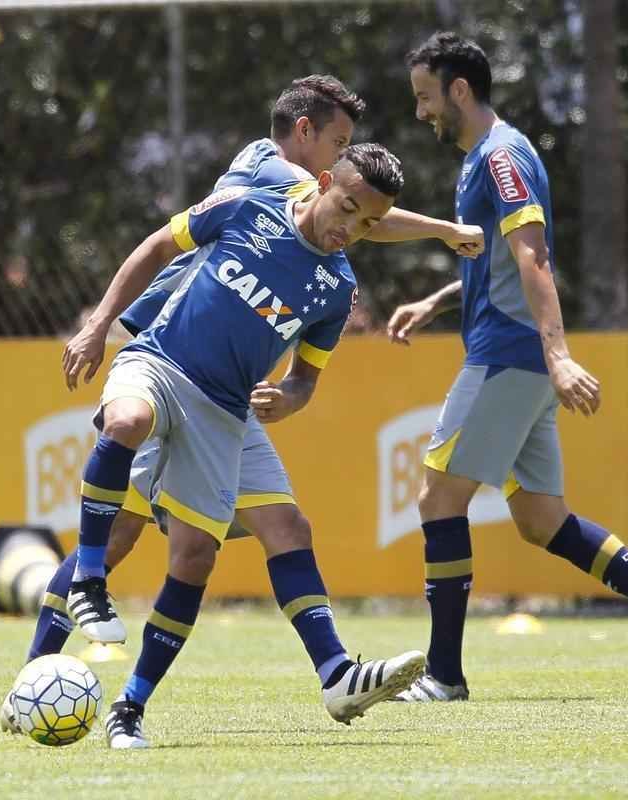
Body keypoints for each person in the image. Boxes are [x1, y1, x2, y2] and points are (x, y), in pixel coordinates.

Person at [1, 75, 484, 687]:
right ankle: (41, 664)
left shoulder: (298, 205)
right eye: (338, 142)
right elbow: (365, 214)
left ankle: (335, 674)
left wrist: (294, 392)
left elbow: (359, 216)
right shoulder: (275, 173)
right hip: (176, 355)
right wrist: (444, 230)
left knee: (279, 526)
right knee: (123, 524)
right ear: (305, 135)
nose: (339, 156)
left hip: (225, 396)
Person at [385, 32, 628, 702]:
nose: (422, 110)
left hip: (509, 356)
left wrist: (559, 354)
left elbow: (533, 257)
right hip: (520, 357)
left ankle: (444, 675)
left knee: (437, 496)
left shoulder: (501, 155)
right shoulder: (483, 155)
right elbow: (498, 258)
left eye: (427, 96)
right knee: (541, 521)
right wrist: (440, 297)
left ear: (459, 90)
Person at [63, 143, 425, 749]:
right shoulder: (247, 207)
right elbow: (158, 246)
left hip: (223, 413)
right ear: (323, 180)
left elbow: (305, 380)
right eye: (347, 209)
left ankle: (130, 708)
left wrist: (288, 397)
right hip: (160, 361)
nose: (350, 230)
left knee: (198, 557)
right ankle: (88, 581)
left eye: (367, 224)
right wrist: (99, 324)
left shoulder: (336, 290)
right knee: (123, 422)